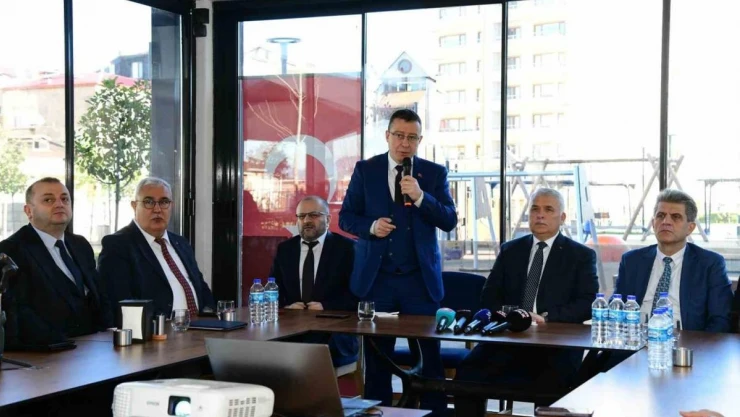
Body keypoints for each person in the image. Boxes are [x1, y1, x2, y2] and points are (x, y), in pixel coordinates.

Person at [339, 108, 457, 414]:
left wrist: (421, 197)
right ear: (387, 136)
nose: (405, 143)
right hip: (377, 280)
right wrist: (371, 227)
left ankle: (434, 414)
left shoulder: (433, 173)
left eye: (412, 138)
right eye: (399, 136)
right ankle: (378, 412)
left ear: (420, 140)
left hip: (420, 282)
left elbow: (449, 220)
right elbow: (346, 218)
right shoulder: (366, 170)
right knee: (378, 360)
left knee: (429, 359)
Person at [454, 188, 598, 417]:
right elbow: (489, 297)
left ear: (562, 217)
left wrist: (546, 318)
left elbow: (587, 302)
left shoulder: (580, 255)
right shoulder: (510, 250)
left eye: (548, 210)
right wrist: (513, 316)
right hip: (509, 337)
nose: (540, 215)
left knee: (553, 383)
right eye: (535, 209)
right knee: (468, 372)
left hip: (556, 343)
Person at [0, 177, 112, 348]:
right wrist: (60, 343)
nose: (59, 204)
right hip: (46, 352)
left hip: (94, 346)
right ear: (29, 211)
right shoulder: (11, 250)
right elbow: (17, 312)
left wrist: (107, 335)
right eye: (48, 200)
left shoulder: (80, 244)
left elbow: (100, 295)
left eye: (64, 199)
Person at [615, 189, 733, 332]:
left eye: (676, 217)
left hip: (687, 341)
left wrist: (696, 344)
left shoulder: (710, 264)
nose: (666, 222)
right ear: (653, 223)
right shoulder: (632, 261)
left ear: (690, 228)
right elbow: (616, 308)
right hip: (635, 338)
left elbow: (720, 319)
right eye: (661, 216)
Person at [99, 177, 215, 317]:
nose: (157, 209)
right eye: (149, 202)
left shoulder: (181, 243)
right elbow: (119, 303)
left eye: (164, 202)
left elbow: (201, 288)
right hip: (156, 329)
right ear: (134, 206)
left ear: (171, 206)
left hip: (200, 327)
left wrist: (211, 318)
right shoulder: (117, 245)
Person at [269, 195, 359, 367]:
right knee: (263, 351)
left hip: (332, 331)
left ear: (328, 219)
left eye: (314, 215)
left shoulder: (348, 249)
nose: (307, 221)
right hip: (292, 329)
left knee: (307, 356)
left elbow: (357, 295)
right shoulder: (285, 249)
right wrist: (287, 306)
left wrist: (326, 306)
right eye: (302, 216)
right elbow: (274, 290)